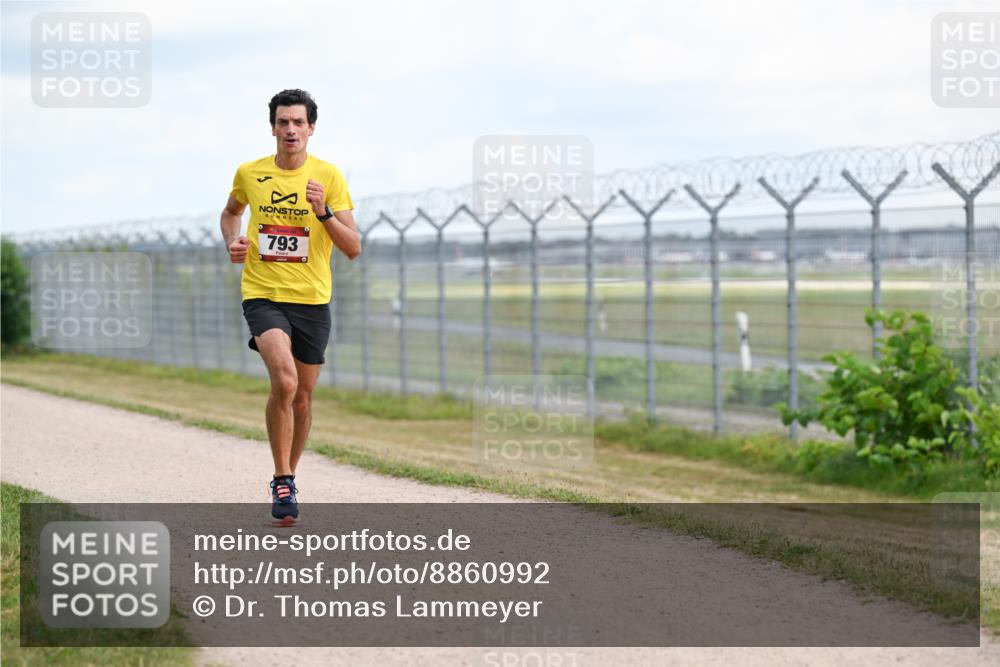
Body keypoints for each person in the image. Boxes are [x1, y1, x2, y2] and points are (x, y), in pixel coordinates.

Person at [220, 88, 361, 526]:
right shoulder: (250, 173)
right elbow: (230, 213)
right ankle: (282, 479)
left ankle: (290, 475)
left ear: (311, 128)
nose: (290, 130)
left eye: (298, 122)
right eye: (283, 122)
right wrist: (233, 241)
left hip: (312, 299)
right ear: (273, 128)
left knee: (302, 397)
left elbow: (353, 247)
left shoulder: (329, 177)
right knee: (284, 380)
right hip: (263, 292)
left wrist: (323, 213)